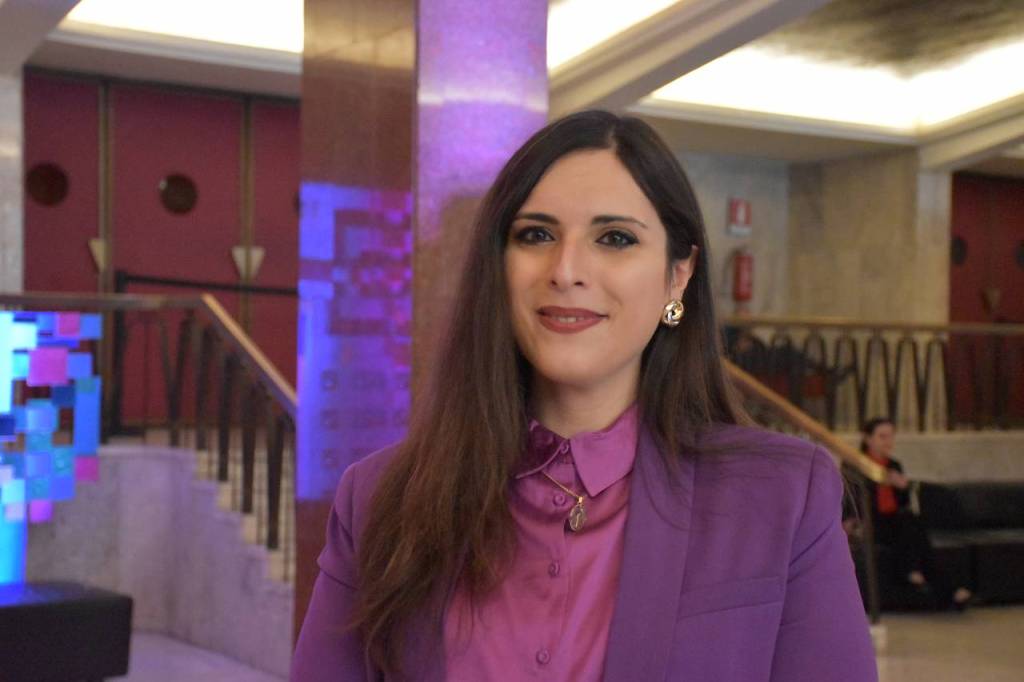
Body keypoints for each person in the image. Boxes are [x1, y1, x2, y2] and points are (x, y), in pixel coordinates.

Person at [291, 110, 876, 681]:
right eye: (536, 234)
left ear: (678, 275)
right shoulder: (380, 500)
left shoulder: (781, 496)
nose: (566, 269)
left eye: (615, 238)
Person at [844, 417, 971, 610]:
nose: (888, 442)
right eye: (882, 436)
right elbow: (852, 498)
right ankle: (939, 586)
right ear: (868, 439)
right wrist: (881, 480)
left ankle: (938, 588)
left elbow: (902, 503)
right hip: (869, 521)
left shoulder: (894, 464)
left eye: (891, 436)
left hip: (894, 521)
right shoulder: (855, 464)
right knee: (910, 527)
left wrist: (903, 487)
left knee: (914, 527)